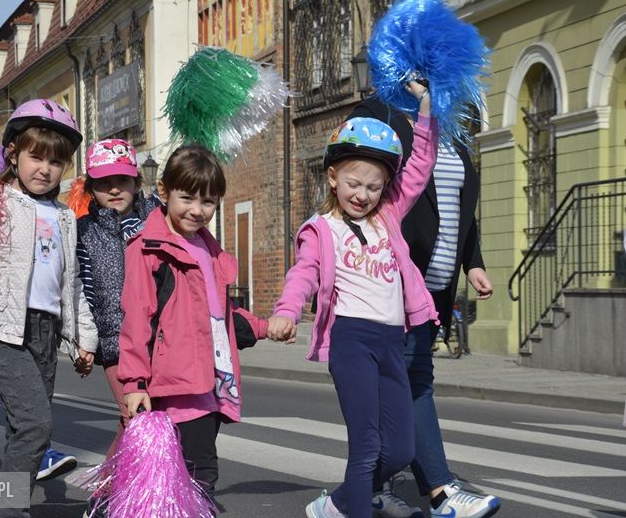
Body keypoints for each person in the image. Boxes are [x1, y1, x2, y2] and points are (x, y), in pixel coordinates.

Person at [268, 80, 436, 518]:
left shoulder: (389, 215)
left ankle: (337, 503)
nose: (363, 195)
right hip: (352, 340)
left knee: (400, 449)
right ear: (333, 177)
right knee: (366, 447)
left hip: (389, 342)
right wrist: (286, 312)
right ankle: (355, 506)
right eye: (354, 183)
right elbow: (303, 273)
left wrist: (425, 107)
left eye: (374, 187)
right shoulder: (322, 228)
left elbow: (419, 166)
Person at [347, 96, 499, 518]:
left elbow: (461, 211)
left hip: (436, 287)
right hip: (394, 279)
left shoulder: (457, 136)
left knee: (407, 382)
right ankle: (440, 491)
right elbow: (360, 180)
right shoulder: (383, 116)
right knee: (413, 382)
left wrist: (474, 263)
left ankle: (368, 491)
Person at [0, 98, 98, 517]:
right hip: (1, 328)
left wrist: (83, 339)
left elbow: (73, 284)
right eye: (36, 157)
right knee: (36, 424)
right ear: (13, 153)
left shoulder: (65, 216)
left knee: (22, 426)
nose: (45, 169)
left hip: (46, 329)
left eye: (56, 162)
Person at [118, 145, 269, 494]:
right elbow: (137, 319)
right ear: (164, 192)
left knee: (197, 468)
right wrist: (135, 382)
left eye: (208, 202)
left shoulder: (208, 247)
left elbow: (219, 312)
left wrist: (263, 326)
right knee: (186, 472)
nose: (197, 210)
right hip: (174, 381)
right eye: (187, 198)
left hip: (210, 377)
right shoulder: (148, 249)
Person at [76, 138, 160, 462]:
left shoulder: (158, 218)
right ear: (90, 187)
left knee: (155, 420)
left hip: (159, 339)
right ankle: (105, 498)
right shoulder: (84, 231)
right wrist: (83, 343)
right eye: (104, 182)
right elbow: (79, 289)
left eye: (122, 180)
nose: (114, 189)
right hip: (115, 343)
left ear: (136, 181)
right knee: (134, 417)